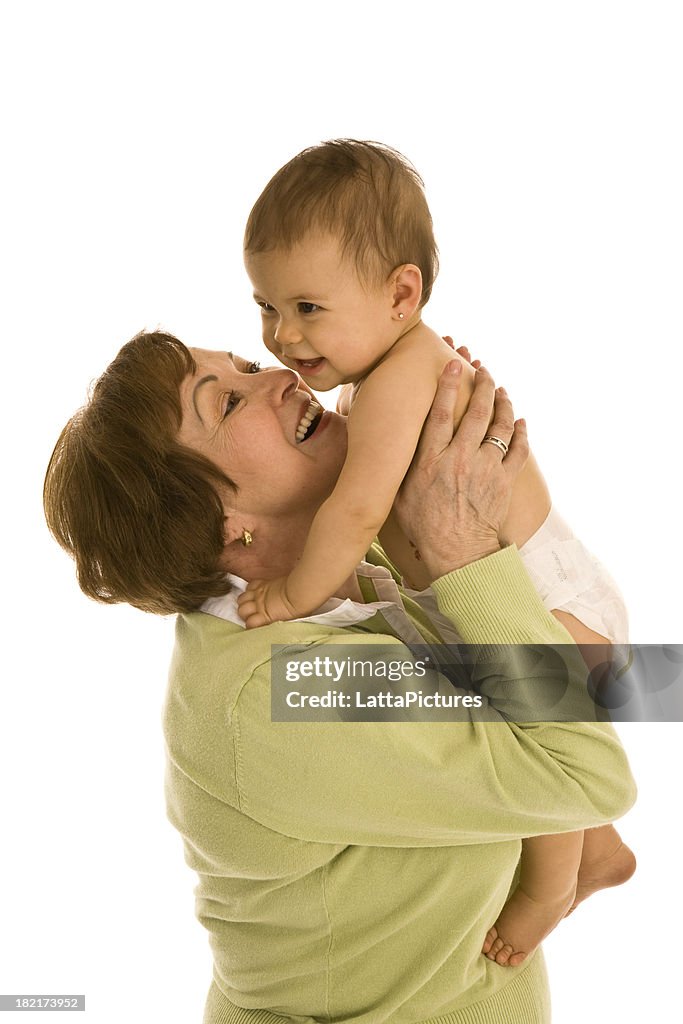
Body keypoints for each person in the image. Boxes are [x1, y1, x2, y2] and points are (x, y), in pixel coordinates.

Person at [43, 331, 636, 1023]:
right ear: (222, 523)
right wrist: (466, 555)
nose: (278, 377)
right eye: (230, 402)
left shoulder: (348, 560)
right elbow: (590, 777)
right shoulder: (287, 689)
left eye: (246, 362)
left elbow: (629, 689)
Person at [237, 140, 635, 966]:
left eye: (307, 307)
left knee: (530, 744)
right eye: (266, 308)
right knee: (518, 723)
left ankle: (548, 889)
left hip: (544, 601)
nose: (282, 335)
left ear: (402, 293)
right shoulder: (378, 372)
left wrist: (287, 597)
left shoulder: (392, 384)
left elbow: (353, 512)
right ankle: (598, 847)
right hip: (532, 587)